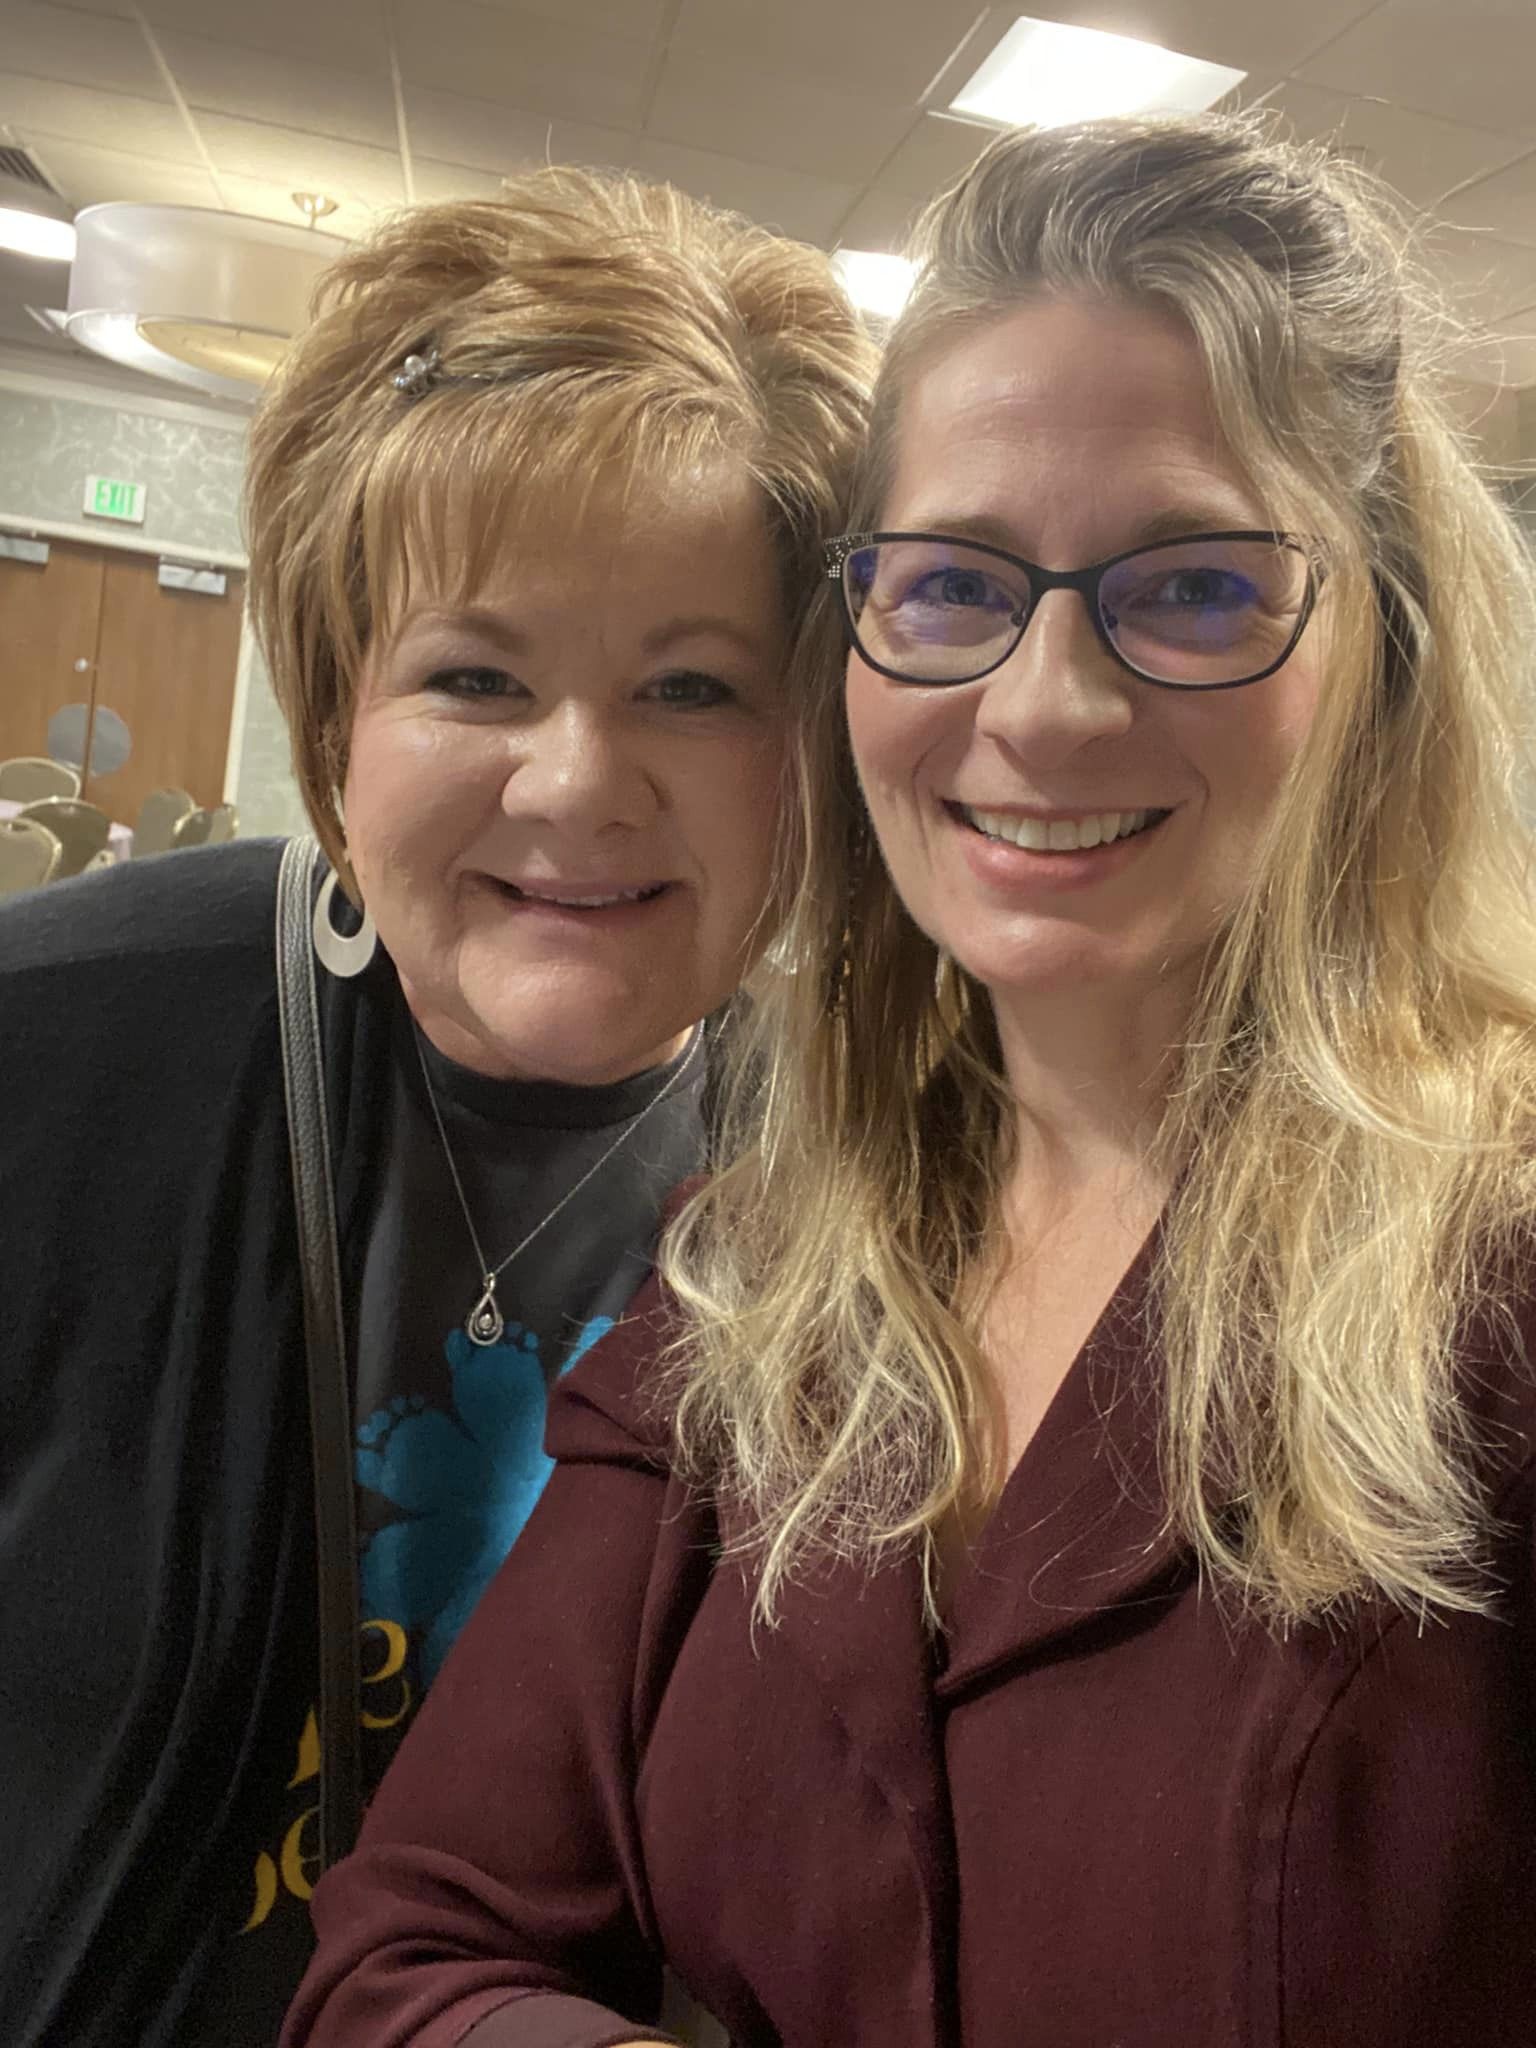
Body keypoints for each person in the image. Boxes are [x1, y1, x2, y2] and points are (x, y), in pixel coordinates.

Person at [283, 114, 1536, 2048]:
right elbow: (410, 1951)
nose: (1048, 706)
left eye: (1197, 589)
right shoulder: (764, 1281)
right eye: (954, 585)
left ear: (1384, 647)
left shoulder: (1496, 1283)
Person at [0, 169, 872, 2047]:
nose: (578, 782)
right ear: (334, 727)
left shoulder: (883, 1186)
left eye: (695, 687)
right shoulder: (58, 1049)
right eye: (475, 676)